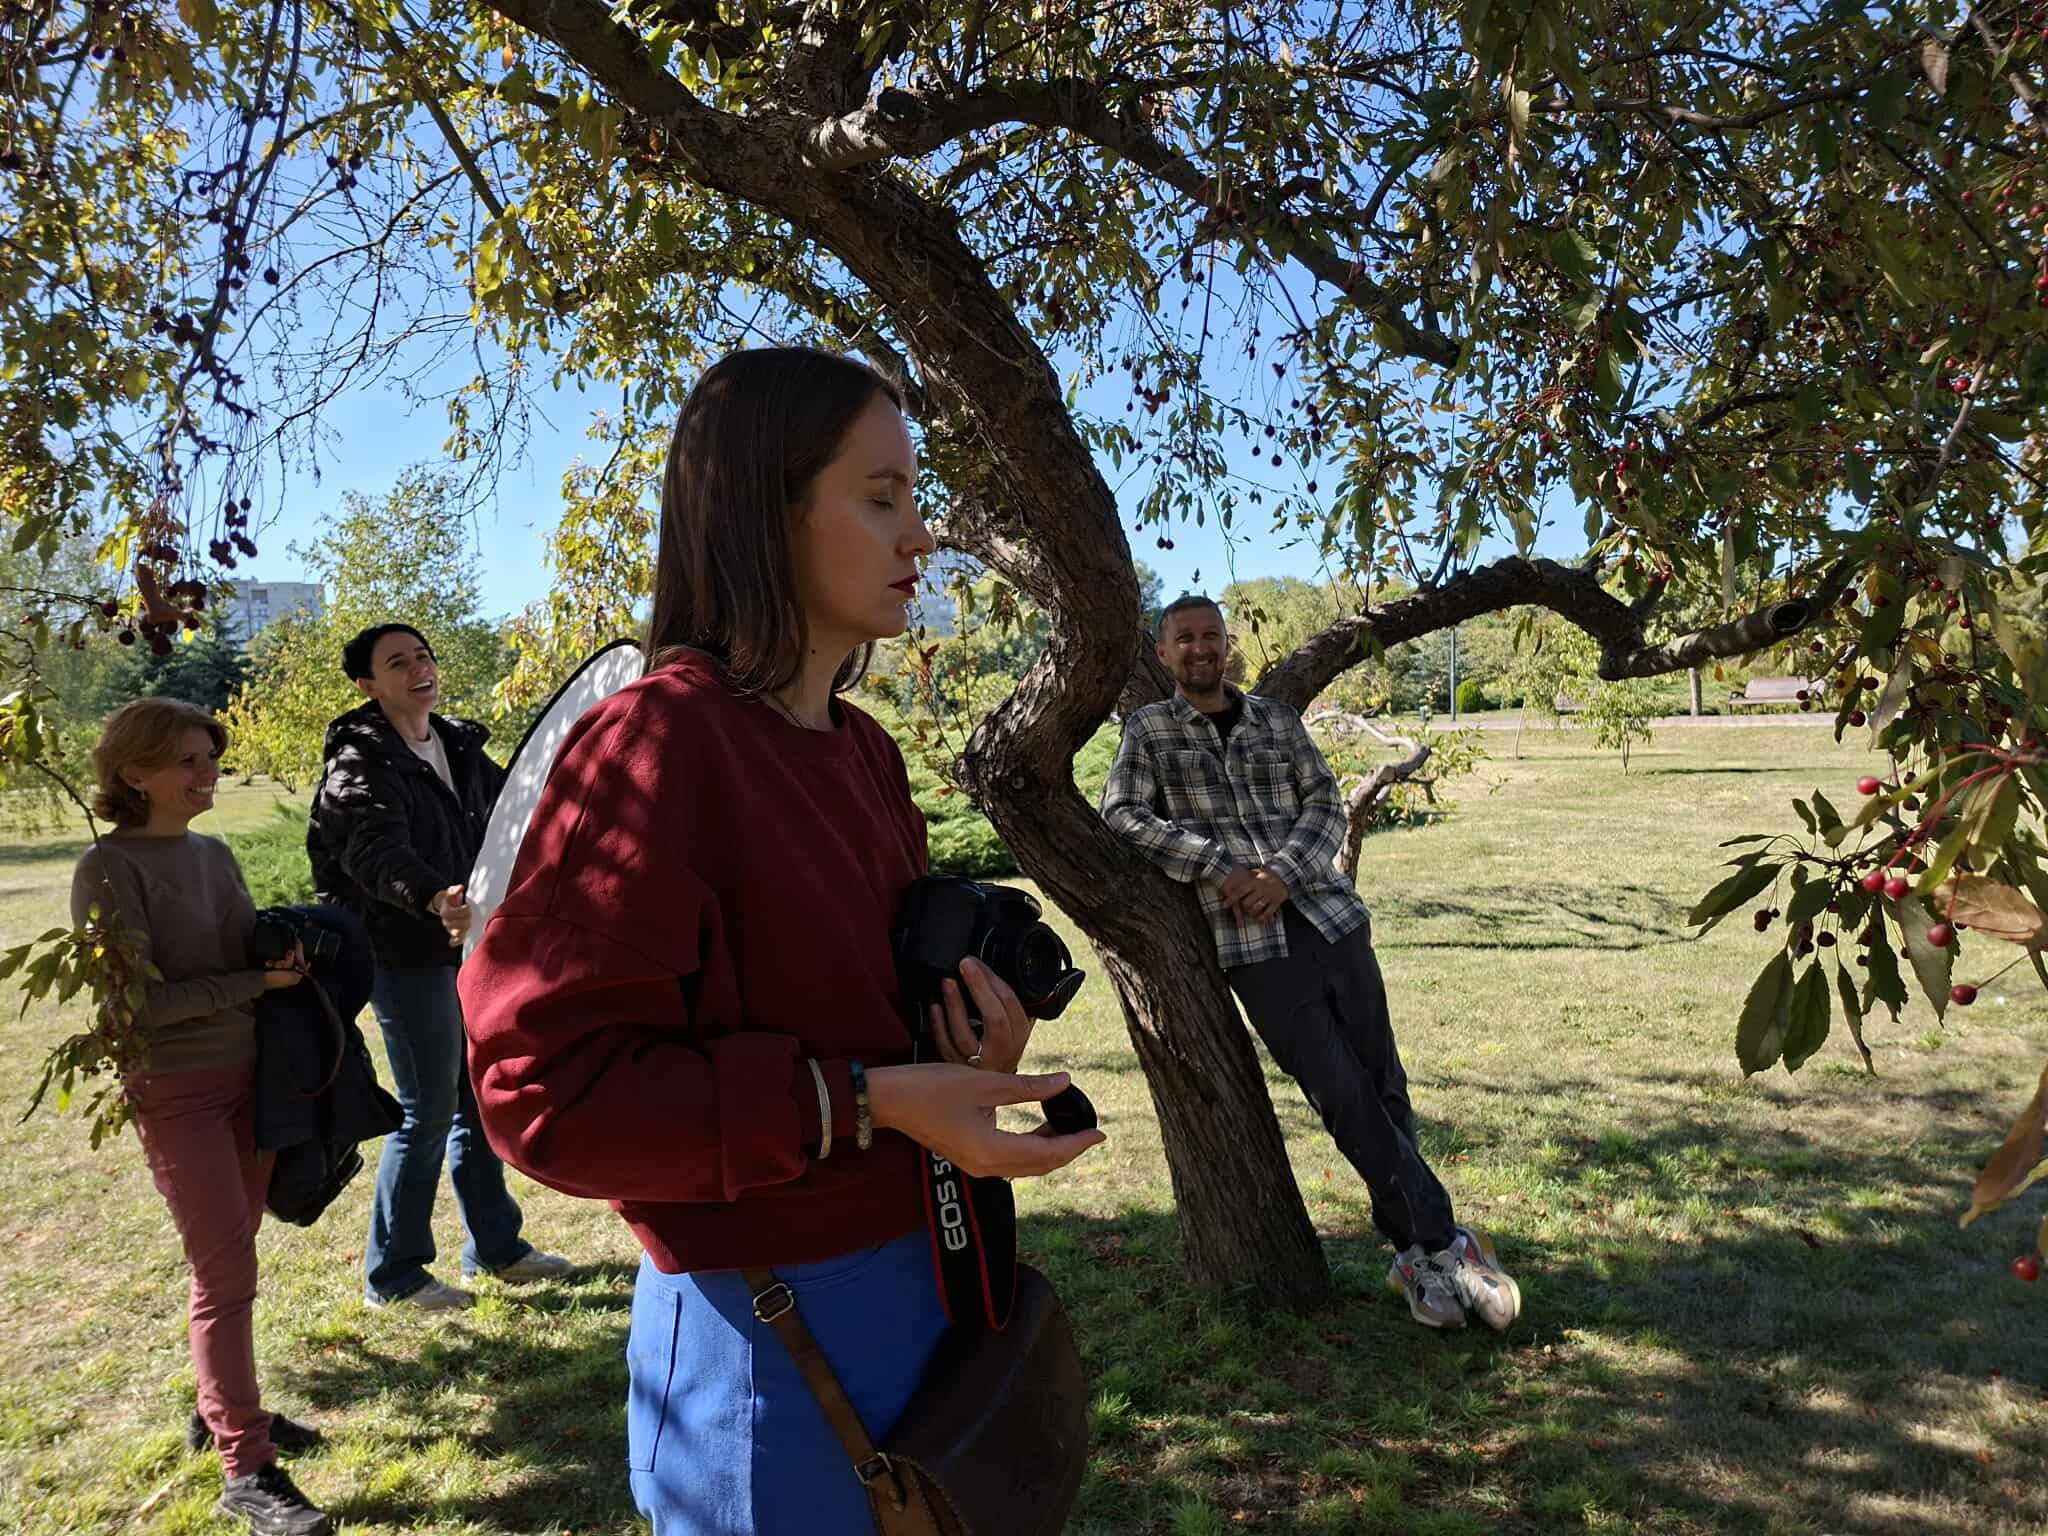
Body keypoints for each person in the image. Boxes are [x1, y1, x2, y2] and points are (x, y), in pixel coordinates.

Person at [460, 346, 1105, 1534]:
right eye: (881, 498)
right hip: (767, 1344)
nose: (921, 537)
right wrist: (864, 1101)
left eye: (913, 498)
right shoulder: (655, 747)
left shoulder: (864, 753)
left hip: (919, 1293)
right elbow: (544, 1094)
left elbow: (852, 1012)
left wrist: (960, 1052)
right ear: (765, 509)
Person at [1100, 594, 1522, 1333]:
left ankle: (1415, 1255)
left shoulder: (1276, 719)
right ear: (1162, 654)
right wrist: (1220, 868)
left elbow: (1324, 803)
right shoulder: (1150, 729)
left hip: (1332, 921)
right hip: (1254, 948)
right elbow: (1124, 814)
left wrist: (1282, 876)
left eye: (1210, 636)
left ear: (1227, 644)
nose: (1200, 648)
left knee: (1384, 1086)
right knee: (1342, 1094)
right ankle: (1444, 1243)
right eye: (1184, 639)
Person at [70, 699, 332, 1536]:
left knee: (231, 1257)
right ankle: (247, 1470)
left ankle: (219, 1410)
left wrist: (284, 948)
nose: (207, 771)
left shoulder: (213, 853)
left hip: (254, 1079)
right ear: (134, 774)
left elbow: (241, 949)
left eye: (210, 756)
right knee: (224, 1274)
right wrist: (253, 984)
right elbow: (132, 1010)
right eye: (186, 760)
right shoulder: (106, 869)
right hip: (175, 1087)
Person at [307, 623, 576, 1310]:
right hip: (403, 952)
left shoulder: (458, 745)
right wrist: (433, 896)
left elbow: (519, 818)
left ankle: (497, 1249)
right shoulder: (358, 762)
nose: (418, 668)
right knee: (426, 1108)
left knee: (476, 1099)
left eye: (423, 656)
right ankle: (394, 1276)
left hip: (471, 948)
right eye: (398, 662)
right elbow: (370, 850)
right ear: (367, 685)